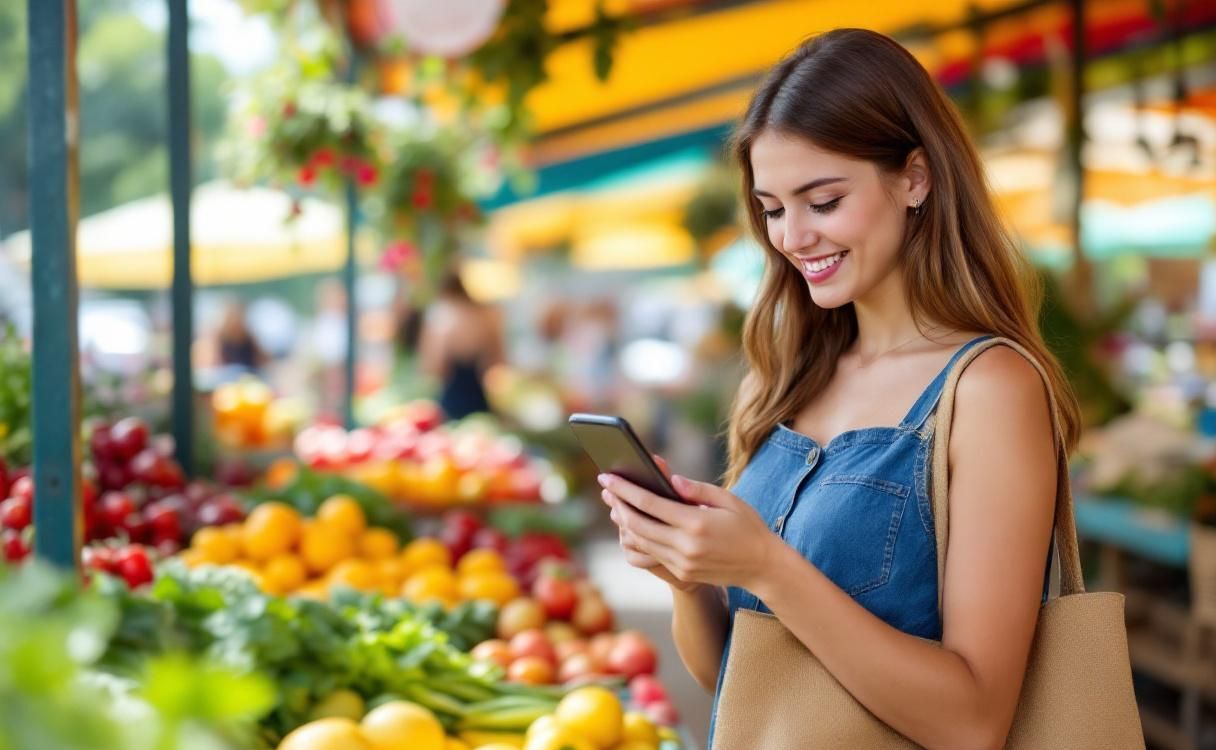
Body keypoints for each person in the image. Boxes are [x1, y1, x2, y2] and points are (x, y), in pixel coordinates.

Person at [599, 28, 1081, 749]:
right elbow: (734, 683)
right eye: (772, 209)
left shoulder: (989, 389)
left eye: (822, 201)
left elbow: (974, 721)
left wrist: (768, 566)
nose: (792, 237)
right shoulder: (790, 375)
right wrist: (687, 575)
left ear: (915, 178)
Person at [418, 269, 505, 420]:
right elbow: (497, 359)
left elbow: (434, 366)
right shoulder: (484, 315)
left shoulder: (443, 317)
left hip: (453, 396)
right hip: (479, 395)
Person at [215, 300, 266, 372]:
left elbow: (261, 359)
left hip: (248, 373)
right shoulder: (220, 338)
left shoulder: (249, 337)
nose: (236, 320)